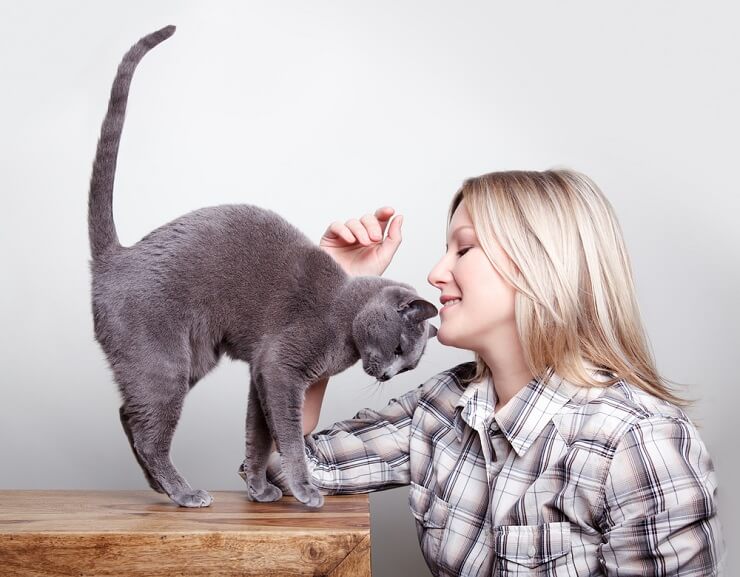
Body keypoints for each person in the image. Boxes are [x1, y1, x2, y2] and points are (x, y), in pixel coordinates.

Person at [260, 169, 726, 576]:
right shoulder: (440, 409)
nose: (437, 272)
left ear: (542, 264)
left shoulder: (638, 443)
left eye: (463, 249)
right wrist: (327, 299)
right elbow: (282, 467)